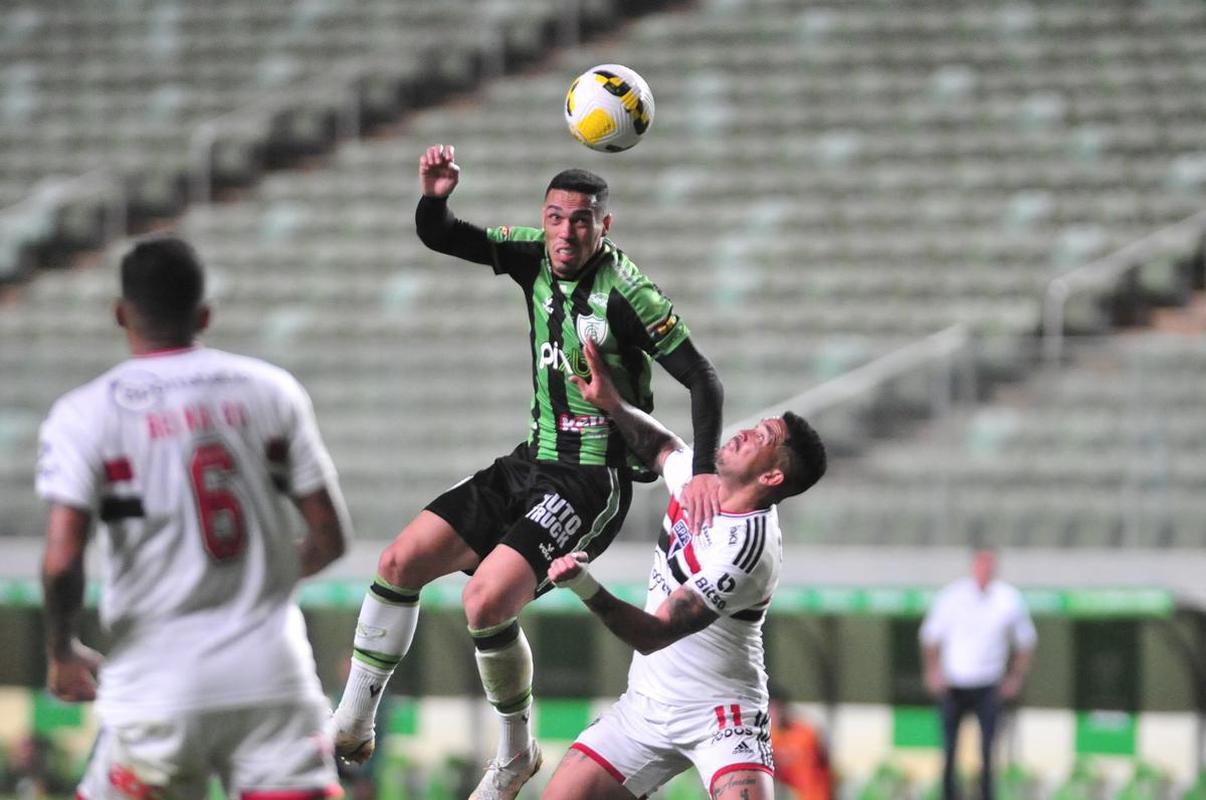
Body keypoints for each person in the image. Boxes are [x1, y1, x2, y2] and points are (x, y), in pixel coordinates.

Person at [332, 145, 725, 800]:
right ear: (543, 221)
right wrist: (435, 195)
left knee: (483, 601)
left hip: (590, 479)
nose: (567, 232)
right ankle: (352, 718)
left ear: (606, 226)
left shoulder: (629, 293)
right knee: (399, 561)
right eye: (556, 217)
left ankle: (515, 752)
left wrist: (705, 474)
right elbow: (442, 235)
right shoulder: (533, 257)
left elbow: (704, 381)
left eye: (582, 220)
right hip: (530, 460)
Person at [36, 236, 351, 800]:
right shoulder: (271, 390)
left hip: (157, 686)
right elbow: (329, 536)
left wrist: (62, 652)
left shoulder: (85, 412)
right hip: (272, 679)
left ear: (121, 314)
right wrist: (255, 580)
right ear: (204, 314)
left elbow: (62, 560)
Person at [539, 338, 827, 800]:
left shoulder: (748, 548)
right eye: (754, 426)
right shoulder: (705, 480)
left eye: (762, 438)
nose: (745, 433)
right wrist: (612, 402)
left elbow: (653, 635)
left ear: (772, 477)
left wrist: (585, 585)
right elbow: (659, 446)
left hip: (721, 716)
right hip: (645, 709)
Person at [920, 548, 1037, 800]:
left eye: (989, 566)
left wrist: (1014, 678)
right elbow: (930, 638)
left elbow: (1026, 642)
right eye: (981, 565)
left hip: (989, 684)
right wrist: (934, 672)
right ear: (973, 567)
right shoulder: (952, 596)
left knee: (988, 752)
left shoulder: (1008, 598)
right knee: (949, 750)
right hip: (955, 684)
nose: (985, 571)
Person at [768, 688, 833, 800]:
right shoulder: (769, 739)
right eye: (771, 709)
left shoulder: (807, 733)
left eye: (778, 707)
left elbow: (825, 765)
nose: (776, 713)